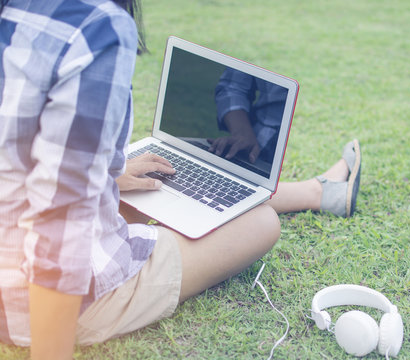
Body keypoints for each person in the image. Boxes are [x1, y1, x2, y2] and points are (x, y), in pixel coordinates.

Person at [0, 1, 362, 360]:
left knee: (165, 176)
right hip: (33, 304)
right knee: (261, 223)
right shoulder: (96, 24)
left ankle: (317, 192)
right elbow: (60, 227)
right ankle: (318, 192)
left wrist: (106, 173)